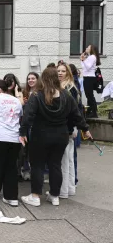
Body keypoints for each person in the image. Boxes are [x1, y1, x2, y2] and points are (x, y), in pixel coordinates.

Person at [20, 67, 92, 207]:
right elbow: (76, 115)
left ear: (43, 79)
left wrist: (22, 132)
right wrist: (86, 129)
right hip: (61, 136)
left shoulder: (36, 95)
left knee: (37, 166)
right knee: (55, 165)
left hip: (40, 136)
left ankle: (35, 196)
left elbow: (28, 116)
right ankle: (54, 196)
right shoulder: (66, 95)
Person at [57, 62, 80, 198]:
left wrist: (71, 129)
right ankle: (70, 188)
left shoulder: (69, 88)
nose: (60, 73)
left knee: (64, 160)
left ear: (68, 73)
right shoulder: (69, 87)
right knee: (69, 159)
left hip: (67, 128)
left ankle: (63, 190)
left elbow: (72, 111)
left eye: (63, 71)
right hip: (70, 127)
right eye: (58, 71)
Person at [20, 72, 40, 181]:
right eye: (29, 79)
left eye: (33, 78)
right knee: (25, 149)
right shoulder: (25, 92)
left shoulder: (40, 92)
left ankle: (35, 171)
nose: (30, 80)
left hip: (36, 125)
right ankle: (26, 170)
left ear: (38, 80)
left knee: (35, 149)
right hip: (26, 125)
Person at [69, 63, 83, 185]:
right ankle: (69, 182)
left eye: (63, 71)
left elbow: (76, 109)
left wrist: (78, 126)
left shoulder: (72, 87)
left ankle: (73, 180)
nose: (60, 73)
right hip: (65, 125)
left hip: (70, 125)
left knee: (71, 155)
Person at [81, 44, 101, 118]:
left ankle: (94, 112)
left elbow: (88, 67)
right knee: (88, 95)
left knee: (90, 95)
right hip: (87, 77)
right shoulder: (90, 57)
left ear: (91, 49)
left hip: (90, 78)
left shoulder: (92, 57)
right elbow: (84, 67)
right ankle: (90, 111)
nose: (86, 48)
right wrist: (82, 60)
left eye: (88, 47)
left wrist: (84, 60)